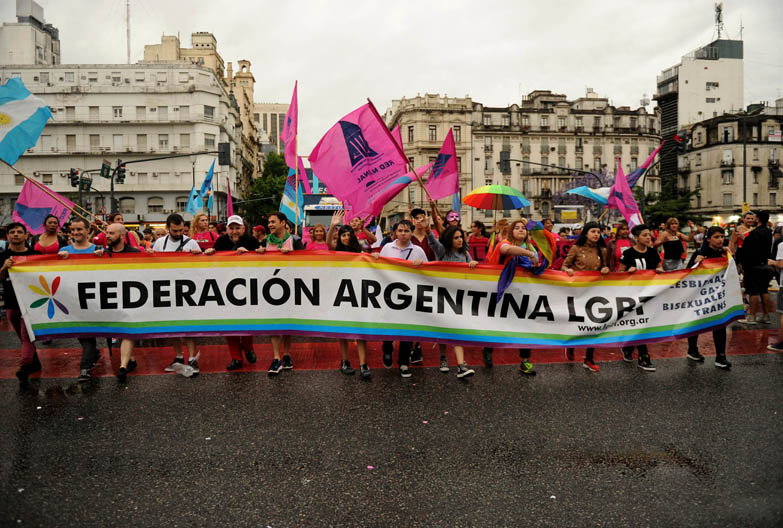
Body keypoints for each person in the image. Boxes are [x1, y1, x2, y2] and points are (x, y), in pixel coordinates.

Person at [481, 220, 538, 375]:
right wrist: (529, 254)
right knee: (499, 324)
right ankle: (488, 349)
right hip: (504, 292)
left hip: (523, 293)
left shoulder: (531, 247)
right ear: (511, 231)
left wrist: (535, 262)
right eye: (517, 228)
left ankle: (525, 361)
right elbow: (506, 249)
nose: (521, 230)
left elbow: (537, 265)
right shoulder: (504, 244)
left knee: (525, 326)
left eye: (523, 228)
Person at [205, 215, 260, 371]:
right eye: (232, 228)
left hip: (248, 289)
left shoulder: (251, 241)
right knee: (230, 325)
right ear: (227, 229)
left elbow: (262, 260)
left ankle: (248, 348)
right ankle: (236, 358)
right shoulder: (221, 242)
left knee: (248, 323)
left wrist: (251, 253)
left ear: (243, 228)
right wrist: (209, 253)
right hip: (226, 290)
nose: (235, 231)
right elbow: (212, 262)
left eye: (237, 228)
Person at [151, 214, 203, 374]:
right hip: (168, 289)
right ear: (168, 229)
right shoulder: (159, 243)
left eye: (181, 230)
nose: (179, 233)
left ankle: (192, 359)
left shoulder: (191, 243)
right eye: (175, 231)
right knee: (172, 326)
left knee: (188, 327)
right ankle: (179, 356)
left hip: (187, 289)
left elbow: (202, 266)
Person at [376, 220, 428, 378]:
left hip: (409, 296)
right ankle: (387, 349)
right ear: (395, 233)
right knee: (389, 326)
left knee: (408, 329)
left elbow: (429, 271)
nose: (403, 233)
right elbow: (378, 267)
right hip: (389, 294)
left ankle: (404, 363)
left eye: (406, 230)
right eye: (400, 230)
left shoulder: (418, 250)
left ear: (411, 232)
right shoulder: (387, 248)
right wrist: (375, 257)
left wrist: (422, 265)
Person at [257, 212, 305, 374]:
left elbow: (307, 264)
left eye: (273, 222)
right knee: (274, 324)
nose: (270, 225)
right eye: (268, 222)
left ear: (283, 223)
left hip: (291, 288)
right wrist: (258, 255)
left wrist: (292, 257)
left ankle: (286, 354)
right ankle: (276, 358)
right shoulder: (265, 241)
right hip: (271, 289)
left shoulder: (296, 241)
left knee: (287, 324)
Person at [427, 225, 477, 378]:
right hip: (442, 295)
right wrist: (428, 229)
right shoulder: (443, 252)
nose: (460, 240)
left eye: (461, 236)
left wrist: (473, 265)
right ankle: (444, 359)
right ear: (450, 239)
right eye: (456, 237)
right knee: (444, 329)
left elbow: (472, 271)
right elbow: (433, 242)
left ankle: (461, 365)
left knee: (456, 329)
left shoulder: (466, 254)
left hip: (459, 297)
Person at [327, 211, 371, 378]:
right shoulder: (335, 251)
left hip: (357, 294)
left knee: (360, 331)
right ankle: (345, 361)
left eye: (348, 235)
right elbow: (328, 243)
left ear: (352, 236)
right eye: (343, 235)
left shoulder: (359, 252)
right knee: (343, 331)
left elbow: (371, 258)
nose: (345, 237)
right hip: (340, 294)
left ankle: (363, 363)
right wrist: (333, 226)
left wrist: (373, 257)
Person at [57, 218, 101, 382]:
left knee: (88, 333)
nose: (75, 233)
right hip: (72, 301)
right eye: (73, 230)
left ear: (88, 231)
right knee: (84, 333)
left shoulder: (98, 249)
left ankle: (85, 366)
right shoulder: (64, 250)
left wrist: (103, 258)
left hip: (93, 300)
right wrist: (59, 261)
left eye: (79, 229)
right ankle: (89, 360)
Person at [94, 223, 140, 382]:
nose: (107, 236)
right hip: (112, 299)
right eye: (106, 233)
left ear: (122, 236)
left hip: (131, 299)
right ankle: (131, 360)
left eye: (111, 233)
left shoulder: (135, 253)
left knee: (127, 331)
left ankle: (122, 367)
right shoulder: (103, 254)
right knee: (121, 331)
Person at [561, 221, 610, 372]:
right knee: (576, 322)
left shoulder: (602, 250)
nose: (596, 234)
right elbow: (564, 265)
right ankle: (571, 345)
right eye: (593, 231)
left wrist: (606, 269)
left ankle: (589, 358)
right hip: (577, 291)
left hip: (595, 292)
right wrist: (567, 270)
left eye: (598, 232)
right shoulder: (576, 248)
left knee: (594, 324)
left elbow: (606, 267)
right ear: (586, 233)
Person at [617, 224, 664, 371]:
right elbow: (618, 275)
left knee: (644, 324)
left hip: (649, 293)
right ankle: (644, 357)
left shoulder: (652, 252)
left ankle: (628, 347)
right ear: (636, 238)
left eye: (649, 235)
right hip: (632, 295)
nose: (648, 237)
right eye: (644, 235)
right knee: (639, 323)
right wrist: (627, 274)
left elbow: (660, 267)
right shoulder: (628, 253)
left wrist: (660, 270)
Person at [685, 227, 732, 369]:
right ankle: (692, 349)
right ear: (708, 239)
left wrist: (730, 256)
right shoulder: (701, 253)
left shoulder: (723, 253)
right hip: (701, 296)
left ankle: (720, 356)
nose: (720, 240)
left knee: (720, 324)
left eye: (722, 237)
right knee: (695, 323)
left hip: (717, 295)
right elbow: (687, 274)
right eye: (716, 237)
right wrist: (696, 263)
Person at [1, 222, 40, 383]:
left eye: (19, 231)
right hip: (11, 302)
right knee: (22, 336)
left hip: (30, 302)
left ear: (26, 235)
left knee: (26, 335)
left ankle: (24, 367)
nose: (16, 234)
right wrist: (4, 268)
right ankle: (34, 361)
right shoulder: (2, 256)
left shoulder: (35, 254)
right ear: (8, 236)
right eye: (12, 232)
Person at [738, 211, 774, 325]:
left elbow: (747, 250)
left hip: (753, 266)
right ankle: (766, 315)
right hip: (765, 265)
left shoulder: (755, 233)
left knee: (753, 291)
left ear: (758, 219)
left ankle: (752, 317)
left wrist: (742, 263)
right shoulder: (769, 232)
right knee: (764, 290)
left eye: (754, 217)